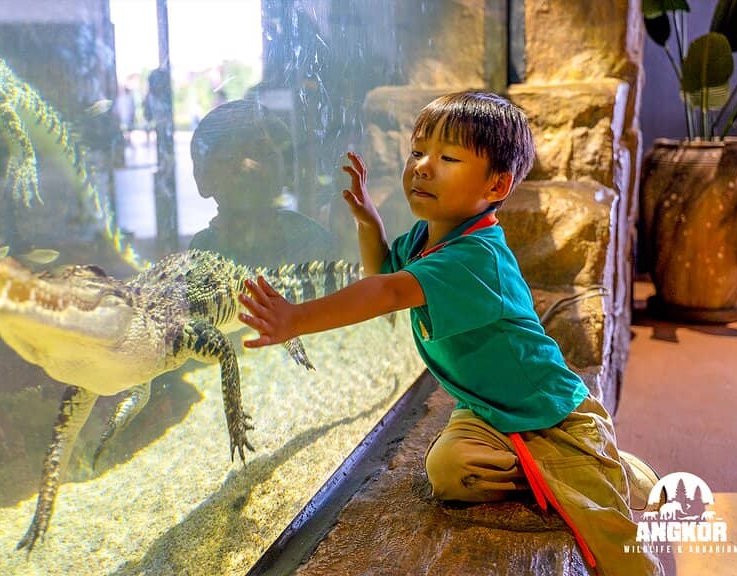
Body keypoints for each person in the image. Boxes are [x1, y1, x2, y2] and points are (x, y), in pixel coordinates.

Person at [237, 90, 663, 575]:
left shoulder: (473, 257)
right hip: (487, 409)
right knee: (447, 472)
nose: (422, 166)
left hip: (548, 414)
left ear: (498, 183)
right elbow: (381, 273)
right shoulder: (430, 236)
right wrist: (369, 223)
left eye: (448, 157)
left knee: (607, 532)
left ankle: (595, 462)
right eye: (418, 152)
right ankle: (575, 469)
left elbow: (388, 295)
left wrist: (297, 319)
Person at [188, 99, 336, 268]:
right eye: (228, 156)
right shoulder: (203, 248)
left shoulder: (307, 237)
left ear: (287, 171)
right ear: (202, 177)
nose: (246, 165)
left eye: (261, 153)